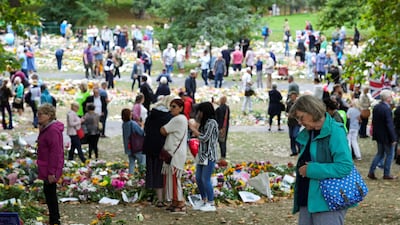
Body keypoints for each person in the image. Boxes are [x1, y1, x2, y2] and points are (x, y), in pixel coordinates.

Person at [288, 95, 353, 225]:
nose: (300, 122)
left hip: (327, 201)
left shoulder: (335, 131)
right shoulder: (309, 132)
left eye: (301, 117)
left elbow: (344, 167)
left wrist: (311, 170)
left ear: (312, 111)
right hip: (308, 198)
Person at [143, 95, 173, 207]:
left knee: (154, 173)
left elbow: (145, 129)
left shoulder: (152, 114)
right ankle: (165, 198)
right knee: (162, 173)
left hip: (150, 147)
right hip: (162, 148)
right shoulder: (168, 117)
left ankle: (159, 199)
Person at [36, 104, 64, 225]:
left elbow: (55, 153)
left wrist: (52, 172)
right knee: (48, 193)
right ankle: (53, 219)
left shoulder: (52, 130)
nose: (39, 116)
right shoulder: (46, 128)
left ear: (49, 115)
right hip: (45, 166)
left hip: (49, 168)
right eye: (38, 114)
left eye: (41, 114)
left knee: (51, 195)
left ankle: (55, 220)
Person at [189, 102, 219, 212]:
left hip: (209, 155)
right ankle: (204, 199)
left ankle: (211, 203)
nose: (199, 114)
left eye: (200, 111)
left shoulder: (212, 123)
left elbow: (205, 138)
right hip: (201, 155)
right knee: (198, 178)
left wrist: (194, 130)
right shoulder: (204, 122)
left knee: (205, 179)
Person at [160, 98, 188, 213]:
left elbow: (163, 130)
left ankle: (180, 202)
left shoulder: (178, 119)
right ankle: (174, 202)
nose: (171, 108)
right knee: (172, 179)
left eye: (174, 106)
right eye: (171, 106)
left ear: (181, 108)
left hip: (174, 153)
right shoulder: (182, 119)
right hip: (175, 152)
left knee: (174, 180)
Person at [368, 90, 397, 180]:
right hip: (386, 136)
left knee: (379, 154)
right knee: (389, 155)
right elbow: (389, 124)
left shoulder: (376, 107)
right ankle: (386, 173)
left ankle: (371, 171)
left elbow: (374, 122)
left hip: (379, 135)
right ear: (387, 98)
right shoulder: (386, 109)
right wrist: (393, 138)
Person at [122, 108, 145, 174]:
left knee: (131, 163)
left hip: (128, 147)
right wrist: (142, 125)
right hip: (137, 147)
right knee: (141, 162)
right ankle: (141, 176)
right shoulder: (133, 123)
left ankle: (130, 175)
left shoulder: (124, 124)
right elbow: (141, 133)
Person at [286, 91, 300, 156]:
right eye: (291, 96)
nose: (292, 97)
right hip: (290, 122)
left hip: (296, 122)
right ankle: (294, 151)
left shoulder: (298, 104)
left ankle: (300, 147)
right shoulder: (289, 103)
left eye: (293, 95)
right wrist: (287, 114)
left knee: (295, 135)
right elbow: (286, 111)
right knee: (291, 137)